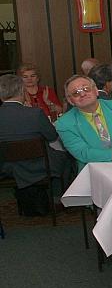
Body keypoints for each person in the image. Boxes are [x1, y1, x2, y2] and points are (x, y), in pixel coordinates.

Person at [0, 74, 73, 214]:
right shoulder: (35, 113)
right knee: (67, 156)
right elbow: (52, 136)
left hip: (6, 167)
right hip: (38, 165)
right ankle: (59, 200)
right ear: (22, 91)